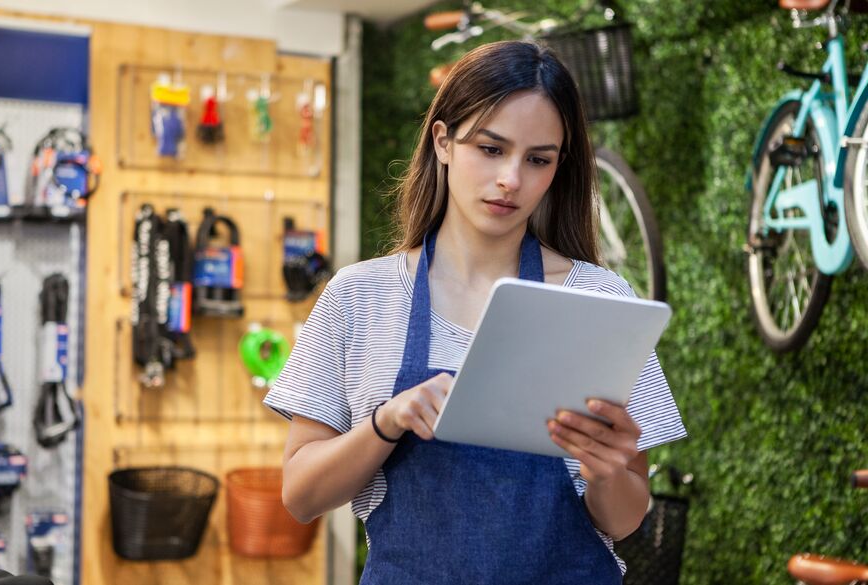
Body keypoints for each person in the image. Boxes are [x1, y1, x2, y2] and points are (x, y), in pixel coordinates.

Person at [263, 40, 687, 583]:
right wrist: (386, 422)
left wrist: (606, 472)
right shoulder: (358, 297)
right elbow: (301, 496)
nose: (512, 178)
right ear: (443, 141)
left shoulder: (599, 300)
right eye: (491, 149)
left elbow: (628, 520)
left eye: (538, 159)